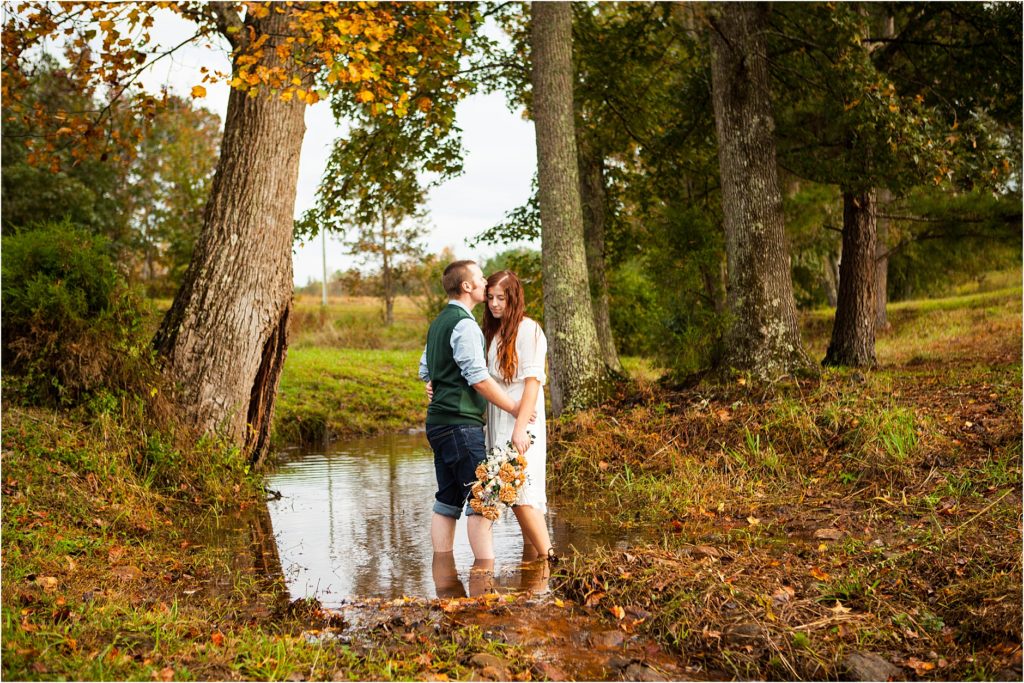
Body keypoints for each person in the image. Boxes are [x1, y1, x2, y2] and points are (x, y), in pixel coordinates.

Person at [417, 260, 527, 565]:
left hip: (438, 424)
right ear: (467, 286)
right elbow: (477, 377)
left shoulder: (439, 322)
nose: (484, 282)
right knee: (485, 497)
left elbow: (425, 369)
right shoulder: (464, 324)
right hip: (459, 426)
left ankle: (444, 575)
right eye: (479, 278)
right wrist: (515, 407)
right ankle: (484, 577)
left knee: (447, 499)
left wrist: (434, 386)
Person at [482, 270, 557, 564]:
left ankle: (551, 560)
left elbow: (533, 382)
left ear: (514, 298)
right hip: (498, 421)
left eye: (501, 298)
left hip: (522, 423)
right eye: (490, 298)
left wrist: (520, 427)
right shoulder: (493, 332)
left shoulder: (530, 331)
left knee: (520, 490)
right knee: (518, 492)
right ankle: (536, 572)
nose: (494, 304)